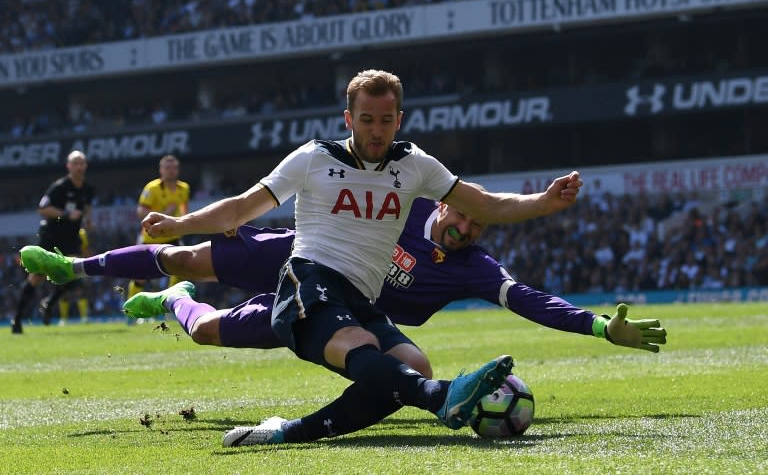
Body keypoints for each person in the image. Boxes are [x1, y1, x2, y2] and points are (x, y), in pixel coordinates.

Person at [27, 69, 581, 442]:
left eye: (386, 121)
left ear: (399, 121)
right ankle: (441, 401)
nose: (376, 131)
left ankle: (289, 430)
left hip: (359, 295)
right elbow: (240, 208)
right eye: (366, 120)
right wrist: (179, 224)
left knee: (410, 365)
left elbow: (485, 203)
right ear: (349, 119)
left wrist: (543, 202)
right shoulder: (313, 159)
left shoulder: (416, 166)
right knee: (357, 346)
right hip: (307, 278)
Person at [20, 197, 667, 445]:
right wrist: (244, 214)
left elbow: (529, 299)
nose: (466, 228)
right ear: (447, 205)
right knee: (185, 252)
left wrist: (600, 326)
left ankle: (174, 302)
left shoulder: (476, 268)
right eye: (463, 217)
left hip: (343, 313)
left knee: (206, 330)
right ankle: (73, 265)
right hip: (305, 255)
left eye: (478, 227)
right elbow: (335, 192)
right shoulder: (409, 204)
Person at [11, 150, 94, 334]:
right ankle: (17, 320)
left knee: (76, 273)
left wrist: (87, 220)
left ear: (85, 166)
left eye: (82, 163)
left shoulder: (88, 189)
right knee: (36, 278)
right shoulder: (59, 187)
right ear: (69, 166)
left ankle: (49, 302)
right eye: (76, 163)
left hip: (72, 239)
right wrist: (66, 214)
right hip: (51, 236)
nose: (79, 166)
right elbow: (42, 209)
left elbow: (87, 208)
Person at [127, 154, 189, 300]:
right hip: (151, 237)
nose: (171, 171)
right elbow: (141, 212)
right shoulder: (152, 188)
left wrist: (182, 222)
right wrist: (164, 214)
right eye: (167, 168)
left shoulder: (184, 188)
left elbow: (185, 209)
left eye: (174, 168)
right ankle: (131, 312)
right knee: (140, 276)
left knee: (180, 270)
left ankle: (169, 304)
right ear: (161, 170)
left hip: (173, 236)